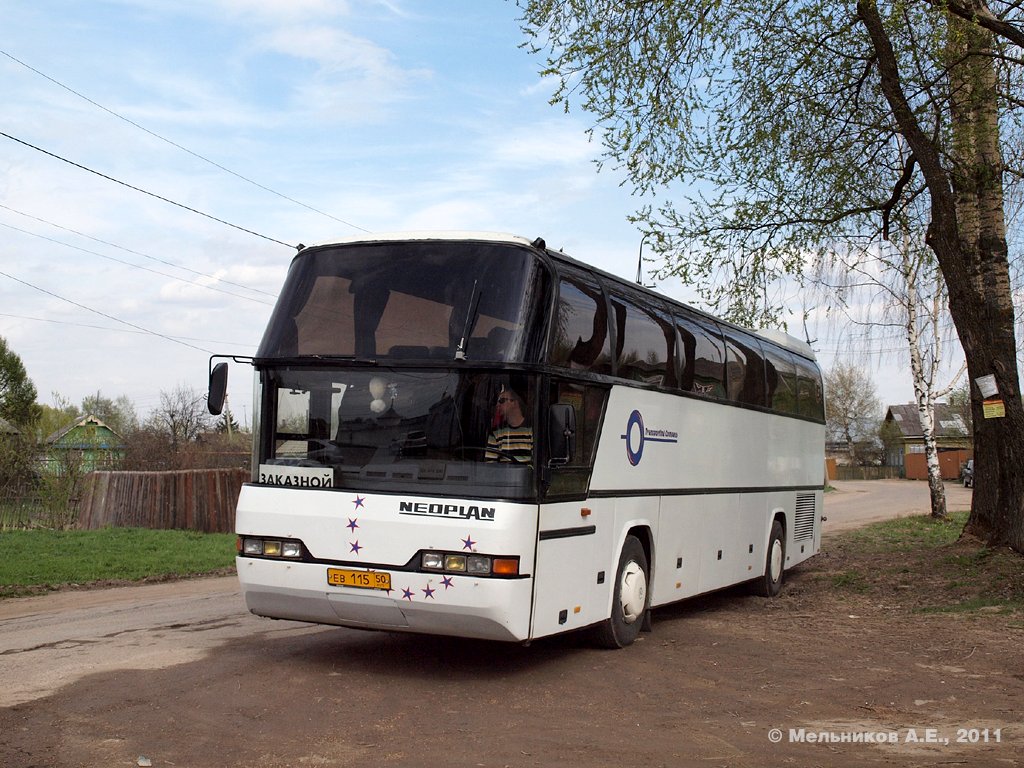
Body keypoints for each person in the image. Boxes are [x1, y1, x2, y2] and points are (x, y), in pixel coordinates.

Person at [485, 388, 533, 463]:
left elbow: (537, 465)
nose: (497, 405)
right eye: (497, 402)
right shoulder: (496, 432)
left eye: (501, 401)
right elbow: (490, 465)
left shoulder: (532, 430)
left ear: (514, 402)